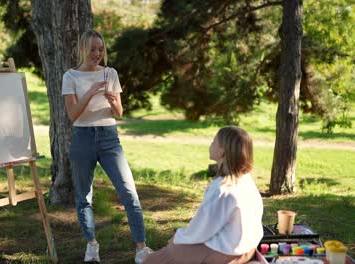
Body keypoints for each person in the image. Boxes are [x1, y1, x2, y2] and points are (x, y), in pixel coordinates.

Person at [61, 29, 153, 263]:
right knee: (84, 197)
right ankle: (92, 244)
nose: (97, 54)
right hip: (82, 138)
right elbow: (72, 114)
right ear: (83, 49)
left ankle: (141, 248)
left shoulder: (110, 73)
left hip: (109, 137)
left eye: (101, 49)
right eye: (92, 49)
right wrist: (91, 92)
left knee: (129, 192)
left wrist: (114, 102)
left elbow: (119, 112)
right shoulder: (70, 76)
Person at [143, 126, 263, 264]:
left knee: (151, 260)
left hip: (229, 253)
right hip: (246, 248)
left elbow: (201, 230)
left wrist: (177, 239)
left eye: (213, 142)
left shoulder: (223, 188)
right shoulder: (246, 179)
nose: (210, 145)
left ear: (222, 151)